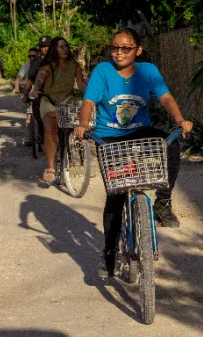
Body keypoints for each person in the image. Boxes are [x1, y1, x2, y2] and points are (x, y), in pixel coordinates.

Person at [74, 28, 193, 277]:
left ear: (138, 50)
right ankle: (109, 252)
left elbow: (165, 97)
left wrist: (180, 120)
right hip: (109, 137)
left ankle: (163, 202)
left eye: (125, 48)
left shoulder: (148, 71)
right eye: (115, 47)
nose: (118, 53)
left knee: (170, 145)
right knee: (116, 195)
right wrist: (83, 124)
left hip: (140, 131)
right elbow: (89, 101)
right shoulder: (102, 71)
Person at [29, 37, 87, 183]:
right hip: (49, 102)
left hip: (67, 101)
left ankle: (78, 155)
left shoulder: (74, 65)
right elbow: (39, 80)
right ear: (54, 49)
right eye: (61, 47)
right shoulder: (48, 66)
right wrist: (35, 90)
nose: (65, 49)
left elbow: (81, 84)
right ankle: (51, 167)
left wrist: (90, 96)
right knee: (50, 128)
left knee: (81, 117)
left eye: (66, 46)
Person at [22, 36, 52, 149]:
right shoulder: (36, 62)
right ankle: (43, 135)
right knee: (38, 114)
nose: (45, 49)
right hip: (41, 94)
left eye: (48, 46)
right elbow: (30, 80)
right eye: (43, 46)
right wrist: (26, 94)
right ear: (40, 48)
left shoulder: (59, 59)